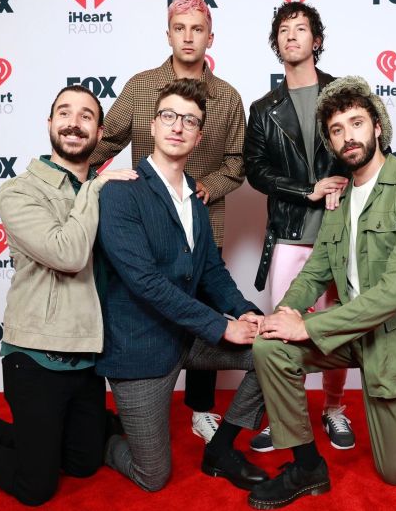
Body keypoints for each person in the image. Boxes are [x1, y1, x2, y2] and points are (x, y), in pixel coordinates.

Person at [247, 76, 396, 510]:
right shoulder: (340, 203)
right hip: (354, 335)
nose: (348, 136)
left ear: (377, 127)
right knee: (270, 347)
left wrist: (306, 325)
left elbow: (394, 293)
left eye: (356, 123)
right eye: (337, 129)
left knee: (395, 472)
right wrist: (282, 314)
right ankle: (307, 468)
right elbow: (315, 274)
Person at [89, 0, 246, 443]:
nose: (189, 37)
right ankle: (141, 402)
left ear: (209, 36)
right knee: (150, 304)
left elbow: (237, 161)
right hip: (146, 219)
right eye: (181, 29)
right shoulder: (141, 87)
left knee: (204, 307)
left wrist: (210, 186)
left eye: (198, 29)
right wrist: (81, 176)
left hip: (201, 217)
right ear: (169, 34)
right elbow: (106, 140)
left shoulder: (228, 97)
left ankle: (200, 409)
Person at [96, 78, 268, 493]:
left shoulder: (195, 194)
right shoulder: (121, 193)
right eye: (169, 116)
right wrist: (221, 325)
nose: (178, 126)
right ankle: (94, 435)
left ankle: (221, 449)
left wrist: (244, 311)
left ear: (198, 135)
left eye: (189, 121)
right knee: (152, 476)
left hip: (186, 337)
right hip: (140, 348)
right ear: (153, 126)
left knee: (273, 352)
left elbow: (210, 270)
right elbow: (146, 283)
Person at [0, 85, 136, 506]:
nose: (73, 122)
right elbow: (68, 253)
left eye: (86, 116)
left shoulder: (110, 190)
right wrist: (94, 189)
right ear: (49, 125)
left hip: (86, 355)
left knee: (82, 463)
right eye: (64, 112)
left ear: (100, 134)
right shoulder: (19, 190)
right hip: (36, 354)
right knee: (36, 487)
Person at [244, 1, 352, 452]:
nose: (291, 36)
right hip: (288, 234)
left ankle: (333, 408)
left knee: (335, 329)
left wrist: (344, 182)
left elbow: (365, 148)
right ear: (277, 44)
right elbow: (254, 169)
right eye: (284, 31)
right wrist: (305, 188)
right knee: (280, 328)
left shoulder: (344, 95)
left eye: (301, 29)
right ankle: (283, 415)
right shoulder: (264, 107)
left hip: (337, 234)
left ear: (317, 41)